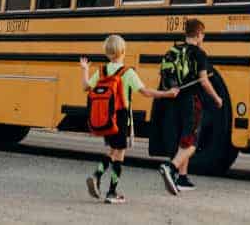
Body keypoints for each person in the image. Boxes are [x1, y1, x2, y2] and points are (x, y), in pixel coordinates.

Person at [80, 35, 177, 204]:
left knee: (112, 150)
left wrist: (84, 69)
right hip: (122, 117)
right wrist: (167, 94)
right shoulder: (127, 72)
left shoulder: (102, 70)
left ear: (107, 52)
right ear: (123, 51)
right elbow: (145, 92)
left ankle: (97, 177)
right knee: (119, 154)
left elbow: (86, 87)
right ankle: (111, 191)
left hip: (106, 117)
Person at [158, 18, 223, 195]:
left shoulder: (174, 50)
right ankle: (170, 167)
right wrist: (217, 98)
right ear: (199, 34)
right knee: (192, 142)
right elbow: (204, 81)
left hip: (174, 99)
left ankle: (182, 178)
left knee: (183, 138)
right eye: (203, 35)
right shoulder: (199, 53)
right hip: (191, 100)